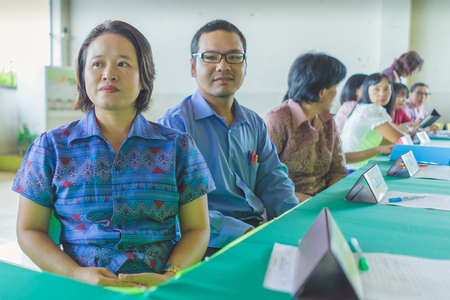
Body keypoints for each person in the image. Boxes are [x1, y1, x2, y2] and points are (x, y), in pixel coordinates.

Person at [13, 21, 215, 288]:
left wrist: (171, 275)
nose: (108, 74)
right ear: (82, 76)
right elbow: (29, 230)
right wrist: (74, 274)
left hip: (158, 287)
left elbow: (197, 229)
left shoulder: (178, 146)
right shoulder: (50, 147)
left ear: (144, 77)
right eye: (97, 64)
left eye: (122, 63)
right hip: (81, 287)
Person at [158, 20, 298, 255]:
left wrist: (294, 221)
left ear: (245, 65)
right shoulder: (174, 126)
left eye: (234, 56)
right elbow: (172, 210)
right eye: (211, 57)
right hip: (205, 246)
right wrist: (242, 233)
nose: (223, 66)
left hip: (256, 232)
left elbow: (274, 180)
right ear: (193, 67)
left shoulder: (253, 123)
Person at [263, 53, 347, 201]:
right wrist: (310, 202)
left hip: (322, 203)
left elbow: (338, 171)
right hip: (288, 207)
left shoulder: (328, 122)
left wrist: (329, 199)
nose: (336, 94)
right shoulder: (277, 120)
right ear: (321, 92)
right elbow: (265, 181)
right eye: (335, 87)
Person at [340, 73, 415, 170]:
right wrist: (410, 134)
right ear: (367, 90)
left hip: (351, 165)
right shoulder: (371, 109)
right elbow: (402, 139)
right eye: (376, 89)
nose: (382, 94)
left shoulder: (361, 107)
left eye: (386, 89)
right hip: (353, 169)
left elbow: (381, 140)